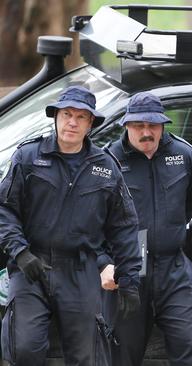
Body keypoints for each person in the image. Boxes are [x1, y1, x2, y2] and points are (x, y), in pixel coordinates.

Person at [0, 85, 141, 365]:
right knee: (23, 349)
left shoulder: (105, 166)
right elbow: (4, 208)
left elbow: (124, 226)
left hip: (81, 270)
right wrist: (20, 252)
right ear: (56, 117)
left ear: (91, 124)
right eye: (67, 114)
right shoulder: (28, 157)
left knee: (86, 356)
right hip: (32, 267)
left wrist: (130, 279)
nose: (72, 122)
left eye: (81, 117)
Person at [104, 92, 192, 366]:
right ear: (126, 125)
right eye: (139, 125)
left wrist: (169, 226)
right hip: (127, 268)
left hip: (172, 266)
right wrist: (103, 263)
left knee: (191, 347)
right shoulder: (106, 162)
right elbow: (89, 221)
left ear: (163, 125)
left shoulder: (183, 153)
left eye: (153, 125)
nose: (146, 132)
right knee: (122, 353)